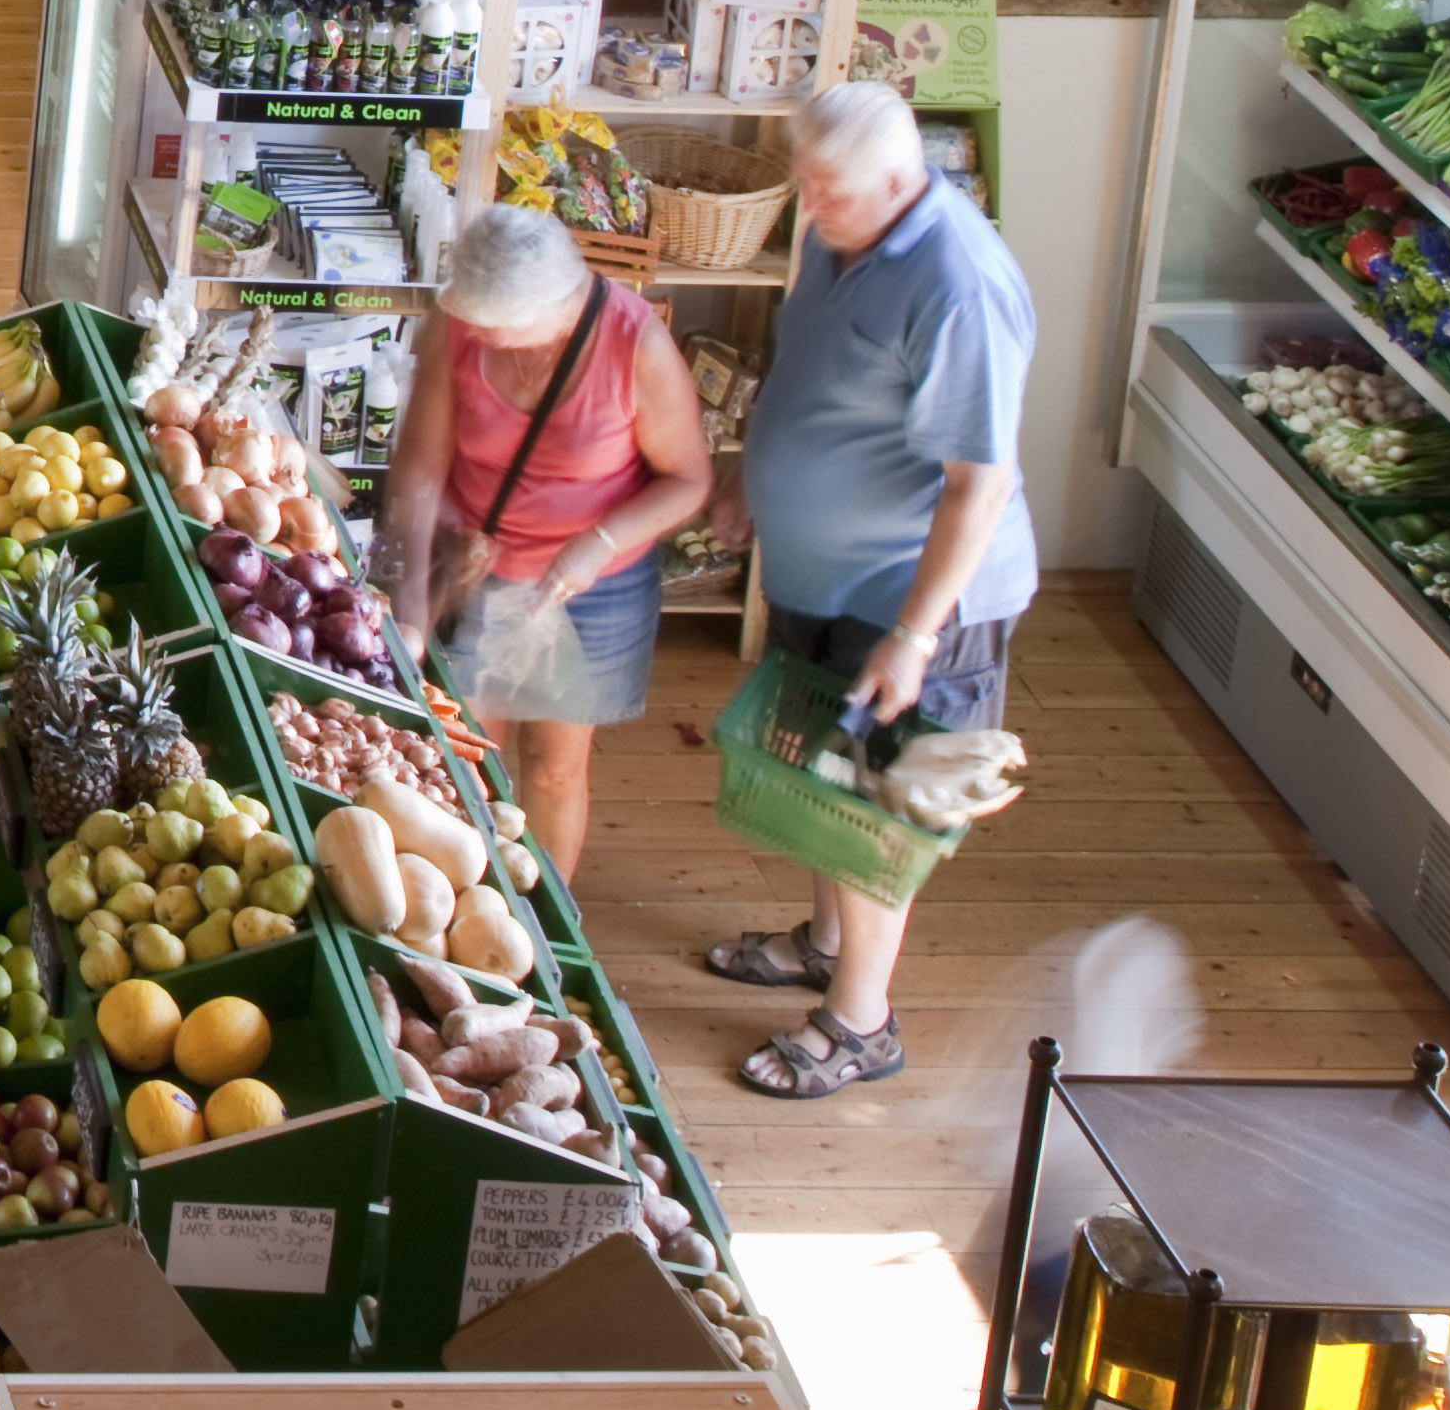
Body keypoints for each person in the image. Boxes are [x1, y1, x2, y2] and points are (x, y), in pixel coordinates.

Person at [705, 78, 1034, 1099]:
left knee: (879, 804)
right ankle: (826, 941)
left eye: (828, 187)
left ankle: (860, 1021)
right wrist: (746, 470)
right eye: (804, 178)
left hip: (904, 595)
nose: (810, 201)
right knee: (818, 768)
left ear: (900, 179)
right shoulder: (837, 231)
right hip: (823, 576)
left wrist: (915, 633)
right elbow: (803, 365)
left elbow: (979, 485)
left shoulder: (957, 282)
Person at [375, 203, 714, 883]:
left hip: (594, 583)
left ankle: (546, 917)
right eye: (475, 324)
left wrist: (597, 541)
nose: (483, 338)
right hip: (476, 567)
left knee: (556, 766)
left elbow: (689, 480)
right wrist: (411, 597)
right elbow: (417, 467)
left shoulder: (634, 346)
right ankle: (468, 903)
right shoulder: (462, 322)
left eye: (504, 330)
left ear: (565, 305)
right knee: (464, 750)